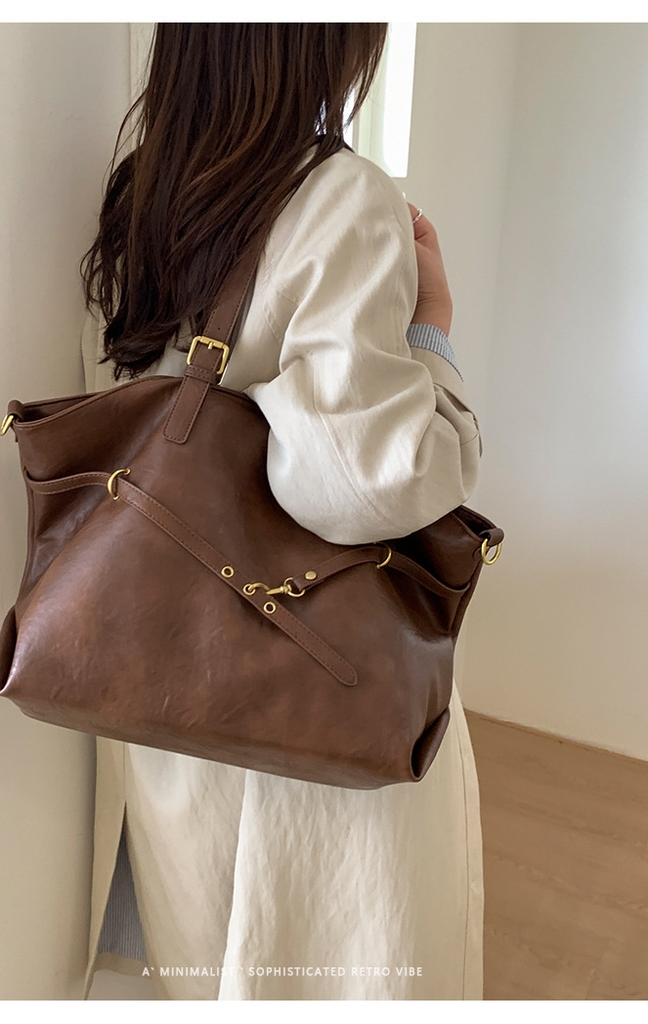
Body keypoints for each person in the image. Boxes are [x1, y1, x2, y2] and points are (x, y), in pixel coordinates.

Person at [78, 23, 483, 1000]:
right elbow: (366, 485)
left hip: (168, 671)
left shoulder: (144, 189)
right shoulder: (341, 196)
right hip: (310, 703)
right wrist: (432, 333)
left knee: (202, 960)